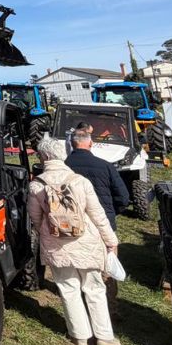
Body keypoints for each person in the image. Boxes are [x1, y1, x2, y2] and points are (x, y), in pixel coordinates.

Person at [28, 136, 121, 345]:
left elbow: (35, 218)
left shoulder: (36, 185)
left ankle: (79, 336)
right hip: (86, 241)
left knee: (68, 288)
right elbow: (98, 215)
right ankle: (104, 336)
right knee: (94, 288)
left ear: (44, 157)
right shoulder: (80, 181)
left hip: (56, 244)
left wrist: (47, 231)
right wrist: (111, 241)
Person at [66, 124, 129, 315]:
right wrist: (111, 213)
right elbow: (123, 197)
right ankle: (109, 308)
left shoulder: (65, 168)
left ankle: (81, 306)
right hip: (103, 225)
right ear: (90, 144)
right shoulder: (105, 166)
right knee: (106, 266)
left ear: (72, 144)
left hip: (73, 224)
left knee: (77, 266)